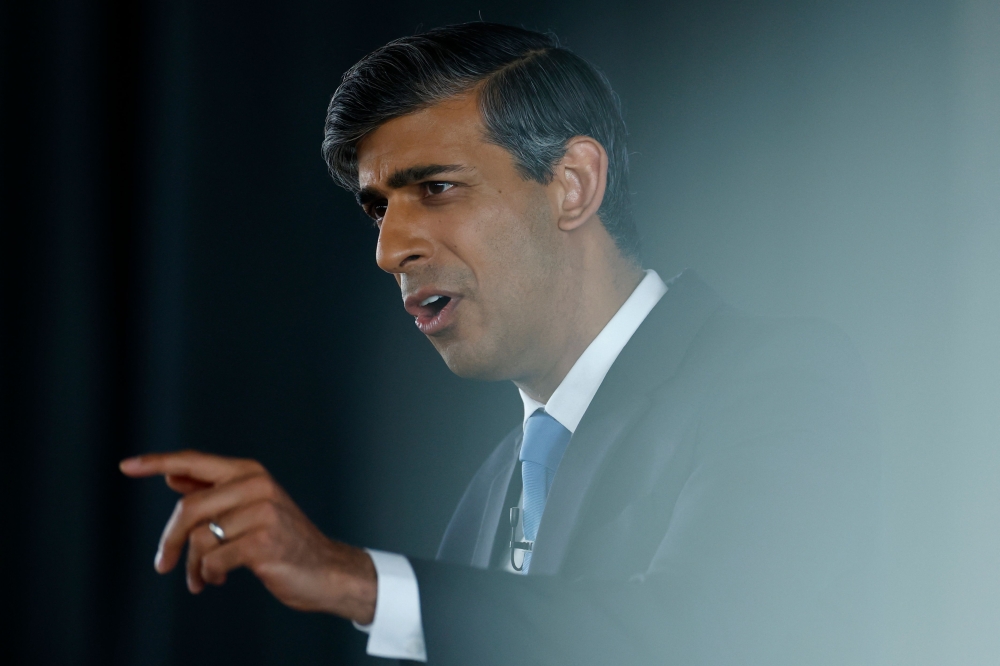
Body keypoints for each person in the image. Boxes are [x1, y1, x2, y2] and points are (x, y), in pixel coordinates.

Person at [121, 22, 882, 664]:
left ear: (573, 184)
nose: (390, 250)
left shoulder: (780, 377)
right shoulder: (490, 492)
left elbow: (706, 639)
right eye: (378, 208)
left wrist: (356, 580)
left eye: (436, 188)